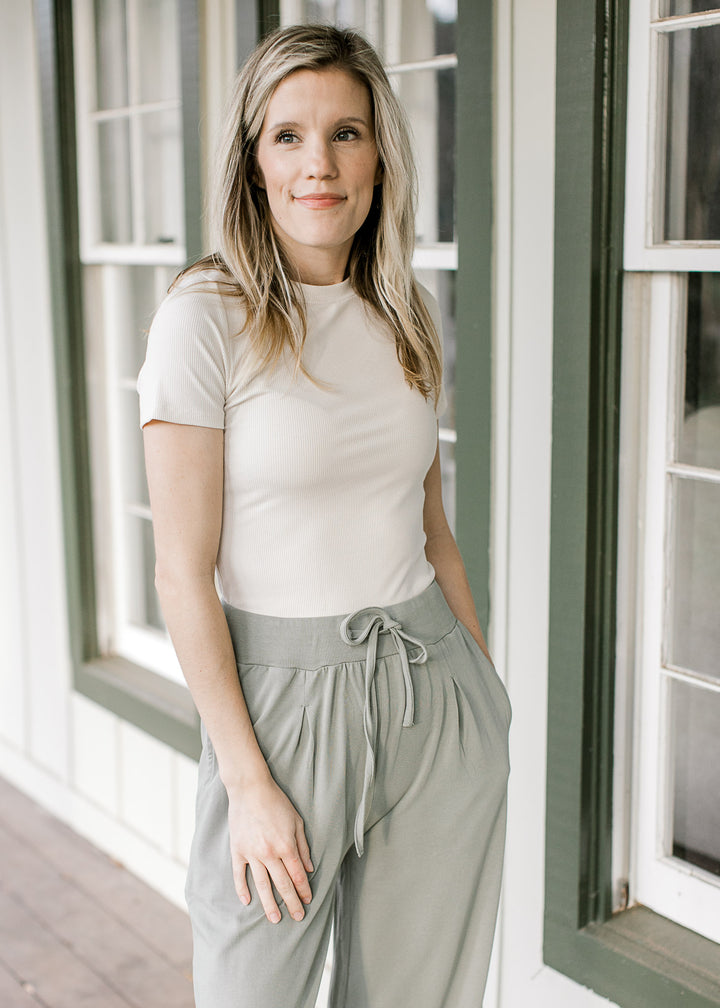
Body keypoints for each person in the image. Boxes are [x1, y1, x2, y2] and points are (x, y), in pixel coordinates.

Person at [138, 23, 510, 1008]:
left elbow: (430, 527)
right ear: (252, 163)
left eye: (346, 133)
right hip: (279, 714)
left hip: (433, 697)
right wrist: (249, 781)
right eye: (289, 136)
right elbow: (181, 571)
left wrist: (484, 696)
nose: (320, 164)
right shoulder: (202, 320)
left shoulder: (405, 312)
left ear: (380, 153)